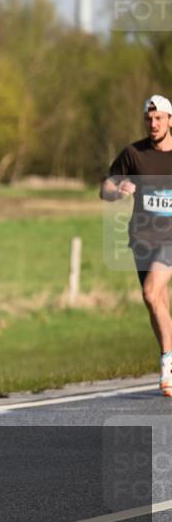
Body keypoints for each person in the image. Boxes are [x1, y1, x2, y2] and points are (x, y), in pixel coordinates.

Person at [100, 94, 172, 397]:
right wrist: (117, 191)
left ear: (170, 120)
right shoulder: (133, 153)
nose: (152, 124)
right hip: (142, 238)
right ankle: (169, 356)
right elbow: (104, 188)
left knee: (150, 292)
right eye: (148, 118)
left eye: (158, 119)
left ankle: (168, 364)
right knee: (157, 302)